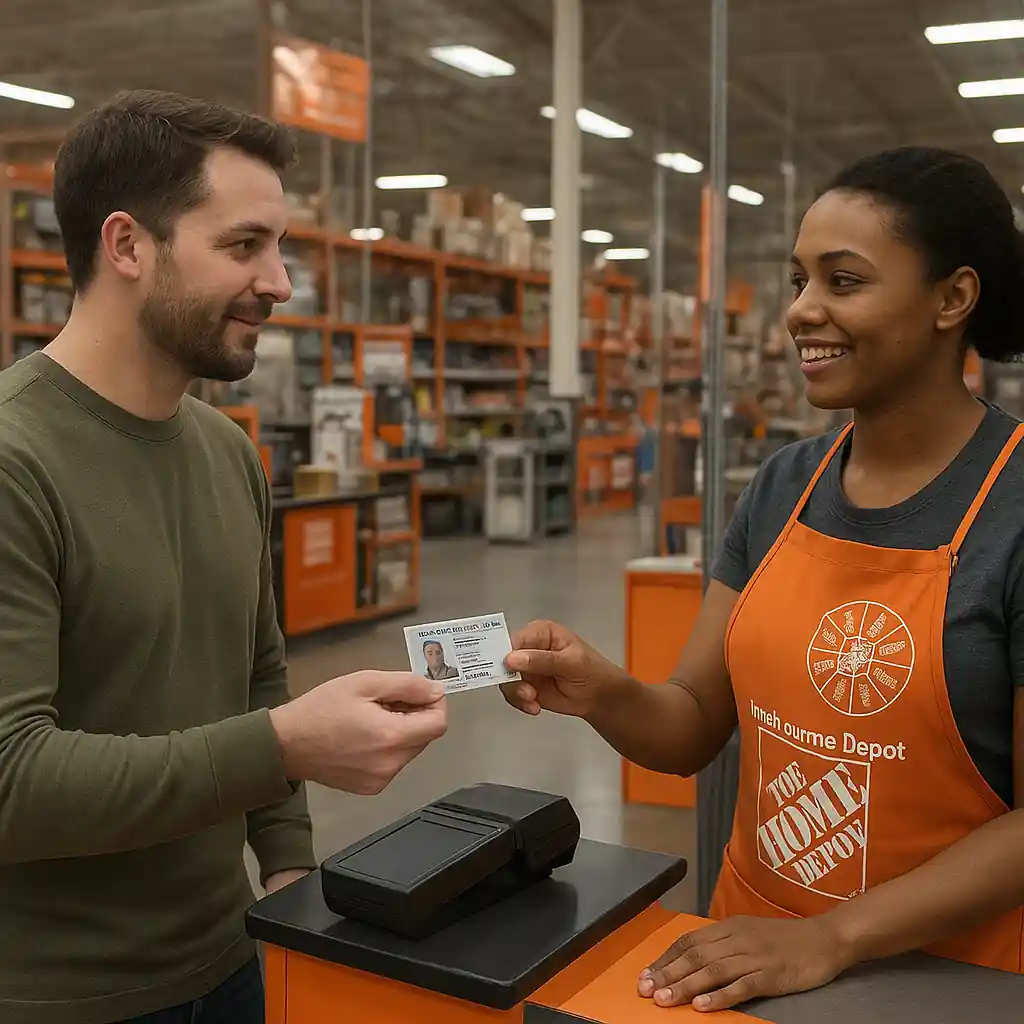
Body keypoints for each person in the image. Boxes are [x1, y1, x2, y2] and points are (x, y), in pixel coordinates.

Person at [502, 146, 1024, 1010]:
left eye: (843, 281)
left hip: (949, 981)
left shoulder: (1013, 509)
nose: (801, 312)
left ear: (953, 298)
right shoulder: (787, 484)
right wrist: (602, 691)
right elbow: (696, 724)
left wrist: (830, 937)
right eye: (797, 281)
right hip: (745, 961)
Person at [0, 89, 447, 1024]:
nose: (281, 283)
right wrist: (287, 747)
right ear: (127, 246)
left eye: (278, 249)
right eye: (245, 246)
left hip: (234, 957)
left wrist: (287, 861)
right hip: (59, 998)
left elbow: (256, 671)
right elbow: (12, 779)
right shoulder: (15, 462)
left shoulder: (227, 452)